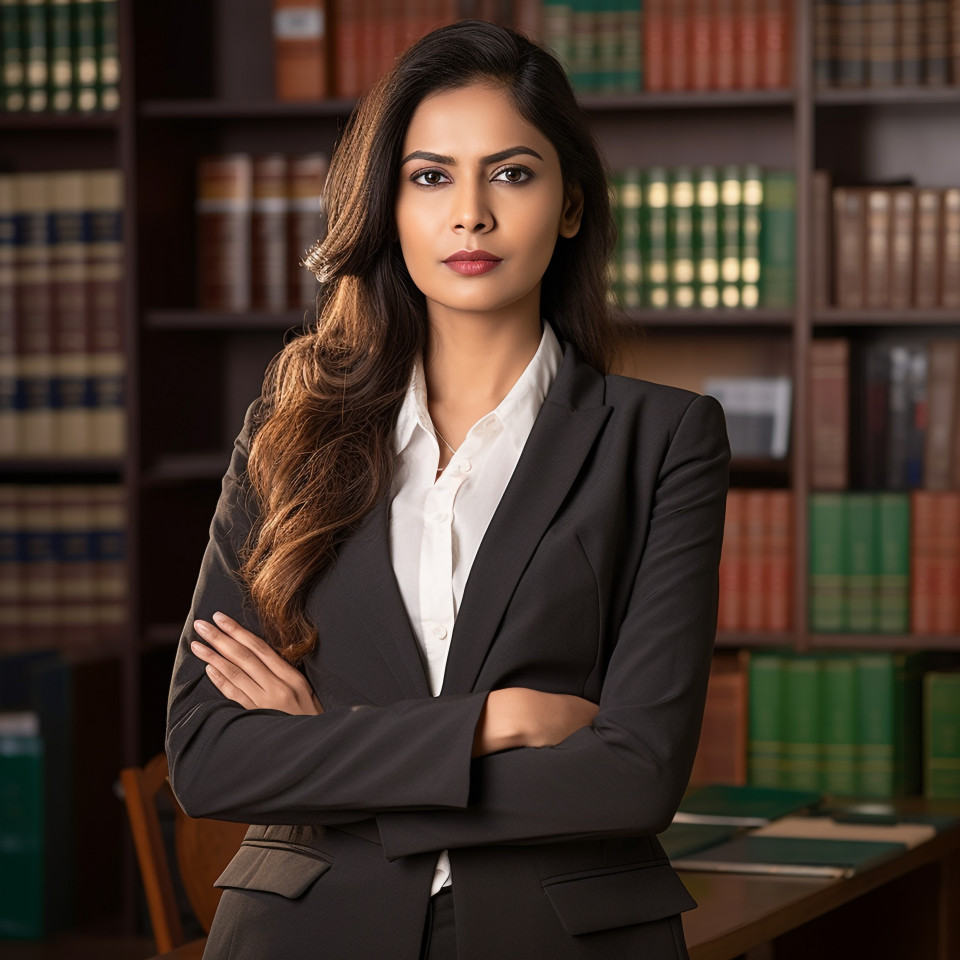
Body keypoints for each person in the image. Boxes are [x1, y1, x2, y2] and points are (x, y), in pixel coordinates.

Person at [166, 19, 730, 960]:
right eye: (431, 177)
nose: (470, 214)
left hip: (559, 932)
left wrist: (330, 749)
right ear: (388, 206)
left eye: (512, 173)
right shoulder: (290, 423)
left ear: (573, 205)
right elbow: (209, 757)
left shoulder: (663, 438)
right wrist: (491, 725)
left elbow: (633, 777)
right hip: (304, 932)